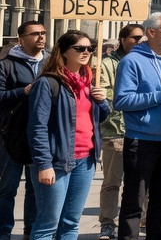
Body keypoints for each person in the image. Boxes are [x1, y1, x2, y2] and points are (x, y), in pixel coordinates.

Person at [26, 30, 108, 240]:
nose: (86, 52)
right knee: (47, 224)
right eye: (79, 48)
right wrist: (44, 164)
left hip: (86, 160)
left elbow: (99, 118)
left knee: (71, 222)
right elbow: (37, 127)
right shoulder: (47, 83)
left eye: (90, 48)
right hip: (57, 161)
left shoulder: (87, 81)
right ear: (63, 52)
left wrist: (102, 102)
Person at [113, 12, 161, 240]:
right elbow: (121, 100)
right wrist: (160, 95)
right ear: (151, 32)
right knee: (134, 200)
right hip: (142, 140)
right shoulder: (131, 61)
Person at [0, 20, 48, 240]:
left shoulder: (50, 62)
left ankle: (31, 231)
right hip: (11, 133)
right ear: (21, 38)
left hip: (40, 133)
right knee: (6, 188)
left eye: (43, 33)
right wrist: (24, 91)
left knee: (36, 189)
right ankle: (3, 231)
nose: (41, 37)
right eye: (35, 33)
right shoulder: (6, 63)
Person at [98, 24, 142, 240]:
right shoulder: (107, 63)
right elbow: (104, 92)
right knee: (112, 182)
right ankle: (107, 222)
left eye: (142, 38)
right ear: (123, 39)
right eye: (135, 38)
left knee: (140, 181)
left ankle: (139, 218)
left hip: (143, 131)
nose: (139, 41)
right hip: (116, 129)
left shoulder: (147, 61)